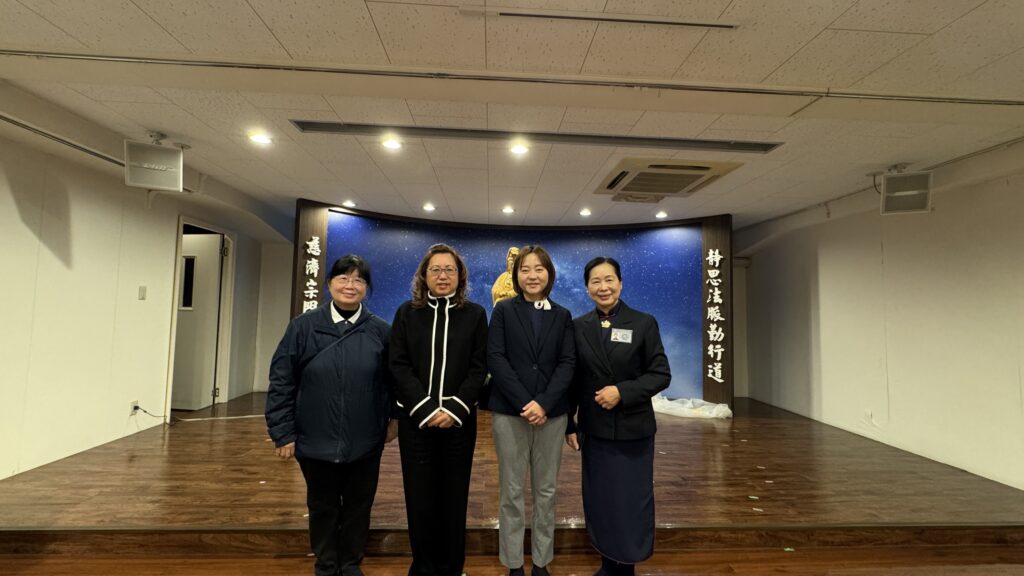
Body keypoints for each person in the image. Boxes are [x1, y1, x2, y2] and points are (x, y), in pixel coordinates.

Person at [265, 255, 397, 576]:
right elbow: (281, 380)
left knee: (358, 505)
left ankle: (350, 563)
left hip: (365, 438)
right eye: (343, 278)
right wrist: (282, 432)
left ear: (367, 288)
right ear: (329, 284)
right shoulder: (303, 327)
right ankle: (325, 565)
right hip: (314, 436)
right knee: (321, 505)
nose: (350, 285)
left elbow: (394, 382)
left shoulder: (380, 331)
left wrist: (393, 420)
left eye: (359, 280)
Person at [565, 257, 671, 576]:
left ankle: (626, 567)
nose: (603, 287)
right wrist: (570, 422)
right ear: (587, 288)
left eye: (609, 279)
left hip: (633, 431)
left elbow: (660, 374)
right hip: (595, 431)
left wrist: (622, 392)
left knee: (630, 502)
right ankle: (607, 563)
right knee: (601, 501)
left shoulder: (643, 323)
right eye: (595, 281)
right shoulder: (578, 327)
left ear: (621, 283)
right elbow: (574, 380)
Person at [389, 243, 489, 576]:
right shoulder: (407, 313)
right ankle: (423, 567)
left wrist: (455, 409)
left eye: (449, 270)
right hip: (416, 422)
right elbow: (398, 364)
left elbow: (479, 368)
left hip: (459, 422)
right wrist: (425, 408)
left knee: (454, 497)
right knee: (419, 498)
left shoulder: (475, 315)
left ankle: (451, 568)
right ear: (424, 275)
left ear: (460, 276)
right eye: (435, 270)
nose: (442, 275)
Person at [486, 245, 575, 576]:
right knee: (511, 491)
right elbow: (496, 358)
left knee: (546, 491)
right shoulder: (503, 311)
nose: (532, 275)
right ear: (516, 275)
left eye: (539, 269)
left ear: (549, 274)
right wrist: (526, 403)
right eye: (525, 269)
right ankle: (513, 564)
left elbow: (568, 363)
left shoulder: (562, 315)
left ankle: (541, 561)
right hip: (510, 414)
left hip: (552, 416)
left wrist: (545, 403)